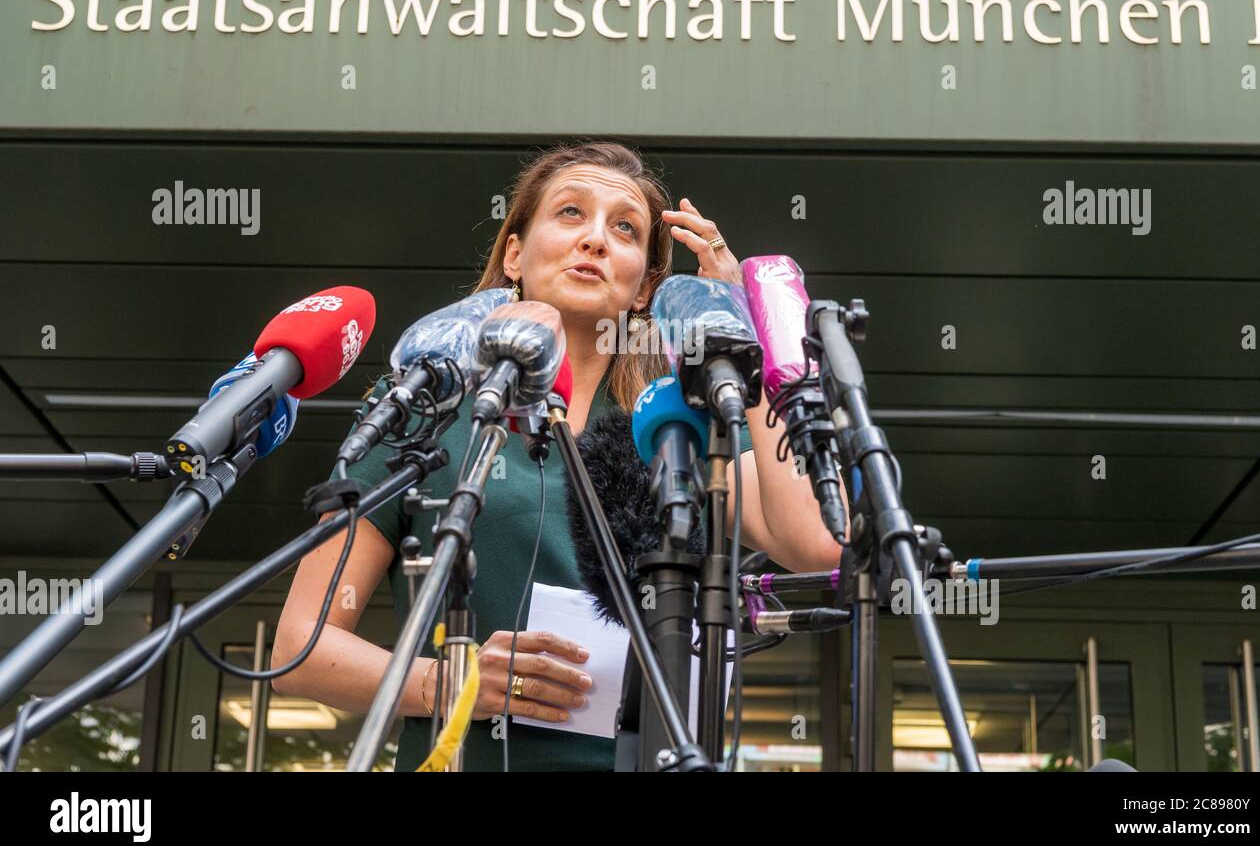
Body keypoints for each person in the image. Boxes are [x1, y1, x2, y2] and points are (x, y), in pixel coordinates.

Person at [271, 139, 843, 770]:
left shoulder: (678, 428)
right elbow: (300, 648)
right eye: (570, 213)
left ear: (648, 286)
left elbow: (819, 541)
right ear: (514, 252)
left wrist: (741, 332)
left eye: (624, 228)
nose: (596, 239)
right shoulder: (430, 401)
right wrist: (452, 683)